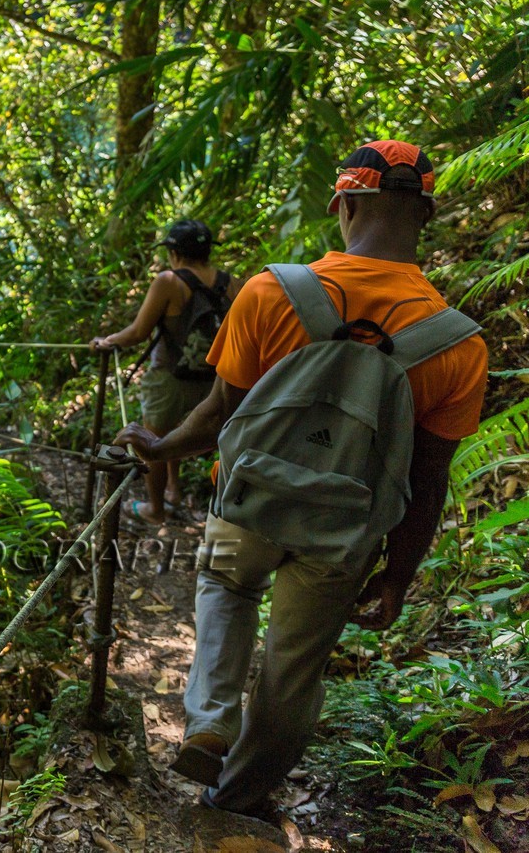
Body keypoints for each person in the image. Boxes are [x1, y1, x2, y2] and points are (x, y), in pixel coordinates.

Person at [113, 141, 489, 821]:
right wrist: (398, 573)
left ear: (343, 205)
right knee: (293, 668)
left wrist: (159, 445)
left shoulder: (271, 291)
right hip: (343, 535)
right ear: (425, 216)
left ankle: (209, 722)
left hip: (248, 506)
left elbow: (218, 412)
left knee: (225, 589)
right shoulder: (459, 342)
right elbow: (427, 478)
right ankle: (238, 795)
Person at [92, 219, 237, 524]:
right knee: (183, 434)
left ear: (174, 252)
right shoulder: (232, 283)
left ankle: (155, 510)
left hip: (169, 378)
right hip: (213, 380)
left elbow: (138, 332)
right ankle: (174, 490)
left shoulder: (168, 281)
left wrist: (107, 341)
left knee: (153, 442)